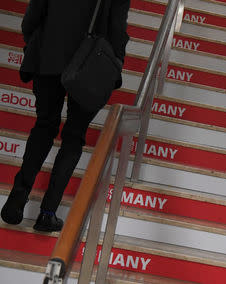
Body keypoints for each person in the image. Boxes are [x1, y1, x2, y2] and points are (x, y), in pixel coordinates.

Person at [1, 0, 130, 232]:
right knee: (74, 136)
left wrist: (35, 41)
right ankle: (47, 213)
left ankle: (17, 198)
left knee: (44, 126)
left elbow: (32, 17)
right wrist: (116, 63)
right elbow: (117, 28)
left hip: (47, 55)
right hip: (90, 62)